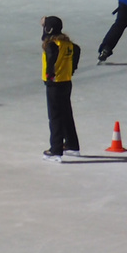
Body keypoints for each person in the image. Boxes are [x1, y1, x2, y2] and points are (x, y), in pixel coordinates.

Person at [40, 15, 80, 161]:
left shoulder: (52, 45)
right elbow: (77, 50)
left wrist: (50, 73)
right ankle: (72, 144)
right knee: (66, 113)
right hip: (66, 82)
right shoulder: (67, 44)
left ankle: (56, 150)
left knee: (55, 116)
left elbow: (51, 56)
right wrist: (72, 69)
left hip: (54, 84)